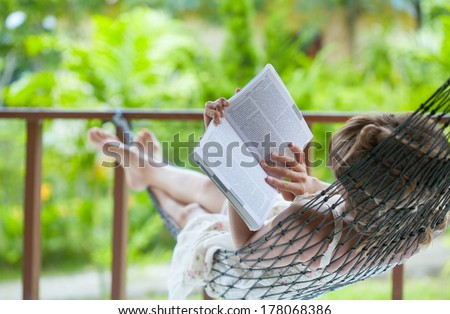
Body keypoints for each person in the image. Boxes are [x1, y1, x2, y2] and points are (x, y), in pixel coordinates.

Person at [88, 95, 449, 299]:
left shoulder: (303, 224)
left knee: (195, 211)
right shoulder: (416, 223)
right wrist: (309, 186)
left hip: (248, 271)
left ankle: (145, 177)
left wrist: (229, 170)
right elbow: (352, 205)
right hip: (292, 250)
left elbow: (244, 246)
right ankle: (147, 170)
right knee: (208, 190)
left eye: (340, 177)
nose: (335, 182)